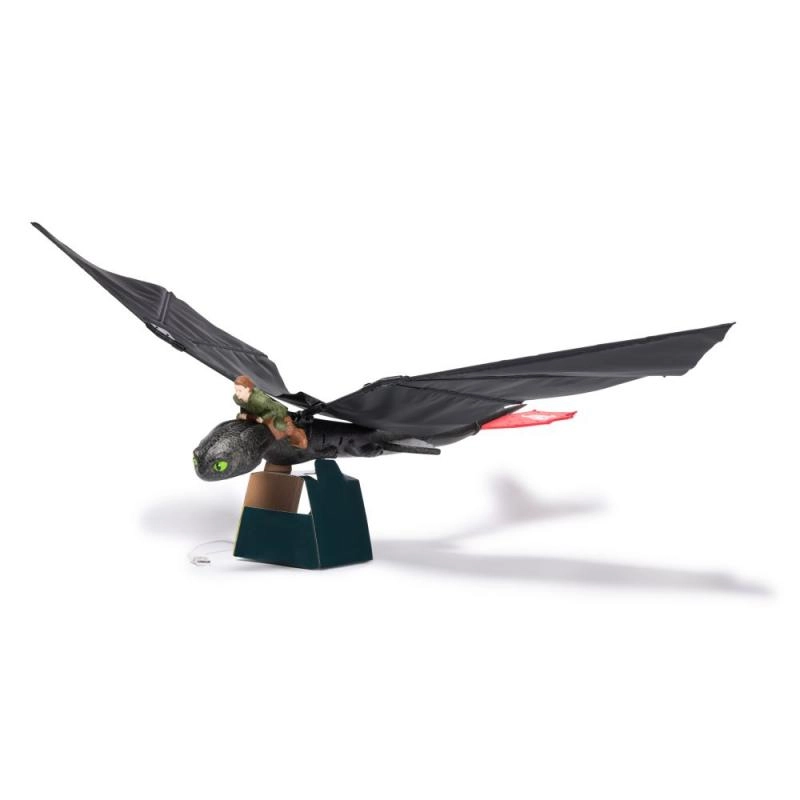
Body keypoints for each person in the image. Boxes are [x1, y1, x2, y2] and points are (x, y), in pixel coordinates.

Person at [232, 375, 308, 449]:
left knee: (278, 425)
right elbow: (245, 406)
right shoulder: (237, 398)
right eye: (236, 390)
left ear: (247, 389)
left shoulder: (260, 400)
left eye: (240, 390)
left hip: (276, 411)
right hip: (258, 412)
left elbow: (273, 410)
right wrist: (244, 415)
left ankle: (298, 435)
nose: (237, 393)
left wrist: (263, 417)